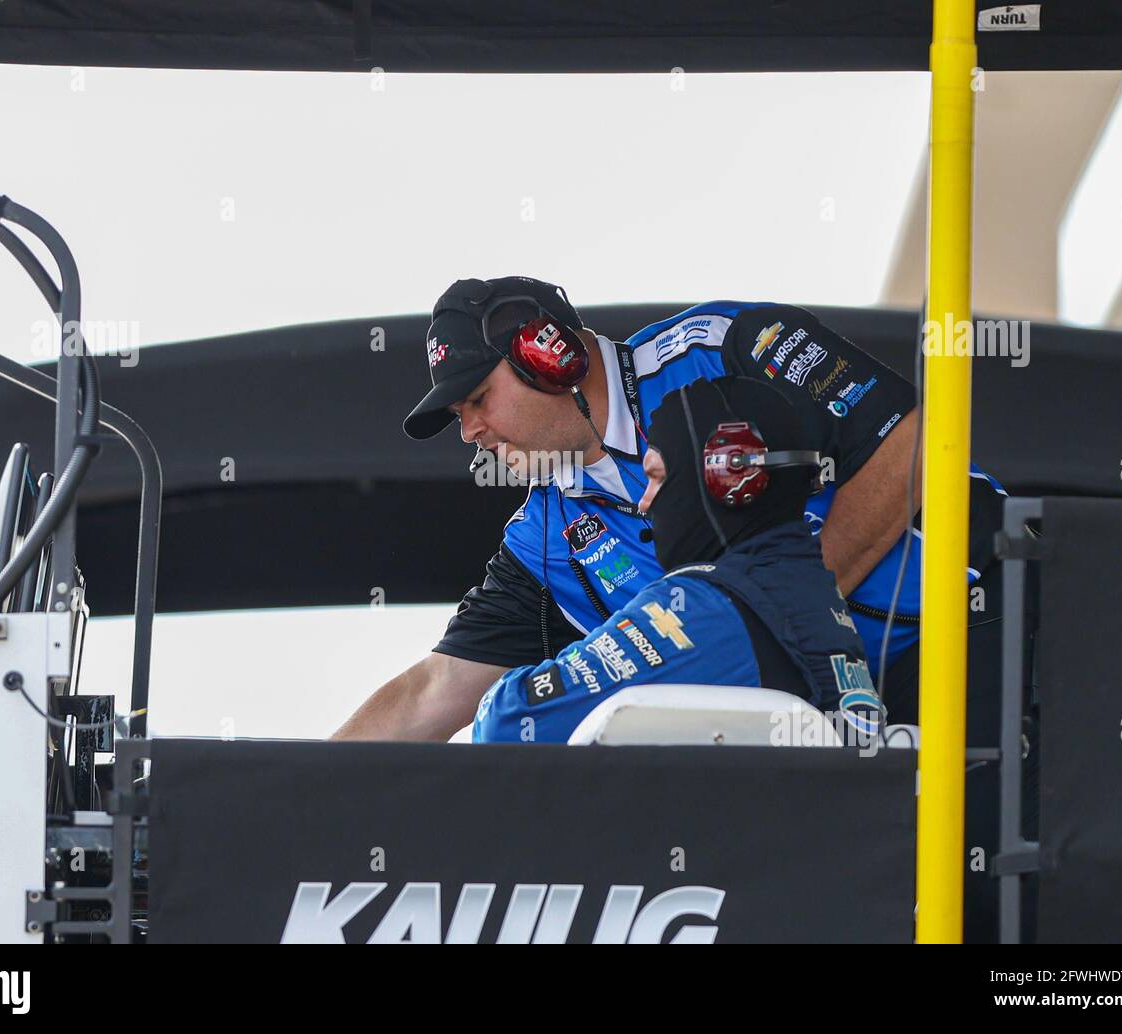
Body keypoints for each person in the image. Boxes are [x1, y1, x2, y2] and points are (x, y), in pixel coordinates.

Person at [334, 275, 1006, 742]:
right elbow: (437, 689)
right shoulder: (546, 534)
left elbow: (916, 437)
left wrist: (789, 613)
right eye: (456, 415)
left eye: (477, 398)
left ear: (550, 355)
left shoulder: (720, 348)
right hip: (850, 712)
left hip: (988, 623)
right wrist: (290, 786)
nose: (470, 430)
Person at [472, 375, 883, 746]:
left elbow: (510, 722)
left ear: (730, 478)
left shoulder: (714, 607)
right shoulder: (811, 596)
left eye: (657, 478)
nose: (645, 504)